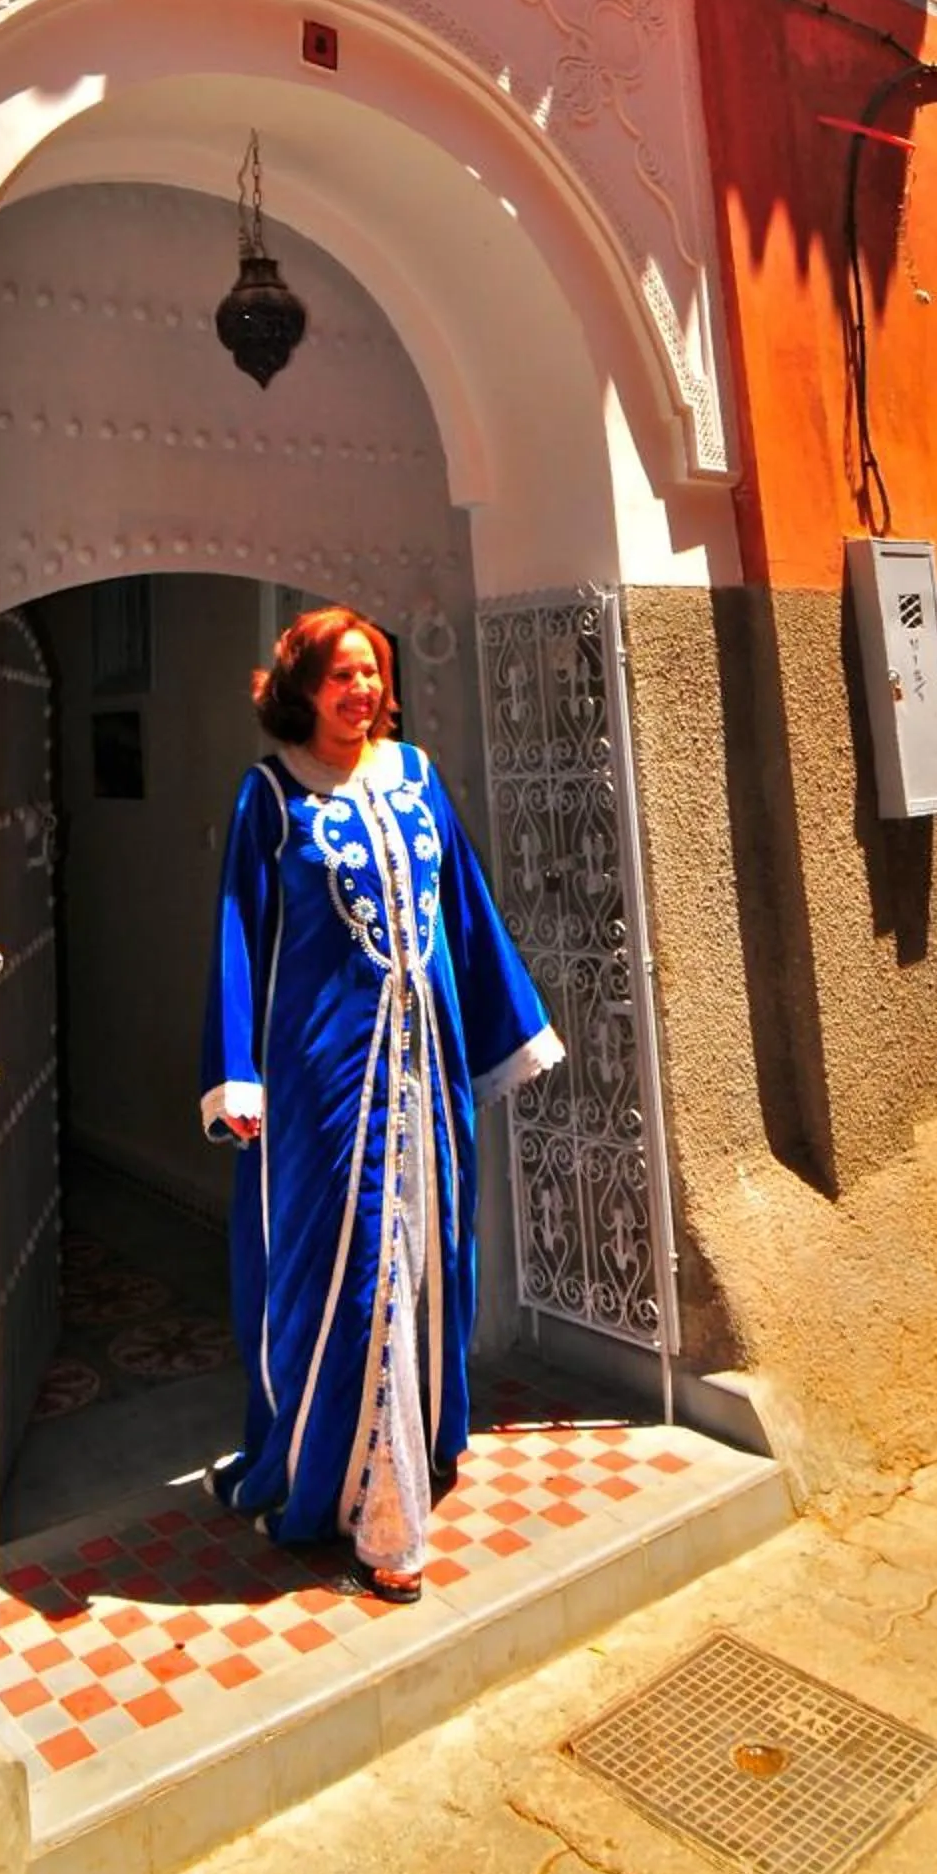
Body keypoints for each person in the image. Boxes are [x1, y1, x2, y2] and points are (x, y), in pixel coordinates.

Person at [199, 606, 564, 1601]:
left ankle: (416, 1452)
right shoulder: (271, 797)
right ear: (302, 690)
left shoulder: (418, 777)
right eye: (340, 677)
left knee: (428, 1249)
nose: (360, 691)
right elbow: (241, 928)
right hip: (325, 1080)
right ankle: (366, 1501)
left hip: (424, 1067)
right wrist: (239, 1072)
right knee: (347, 1269)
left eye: (371, 674)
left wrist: (506, 1023)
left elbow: (465, 907)